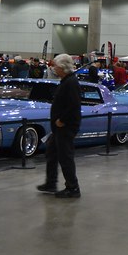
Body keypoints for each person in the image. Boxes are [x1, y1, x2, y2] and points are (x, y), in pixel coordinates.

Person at [37, 53, 83, 198]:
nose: (54, 69)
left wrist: (62, 120)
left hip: (66, 126)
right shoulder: (66, 81)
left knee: (65, 157)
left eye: (56, 66)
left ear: (63, 67)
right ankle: (51, 183)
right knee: (51, 153)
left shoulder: (71, 83)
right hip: (59, 127)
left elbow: (74, 105)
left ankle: (73, 187)